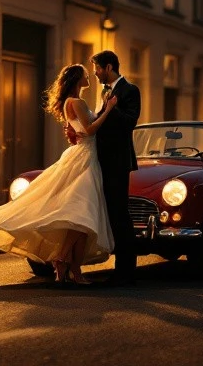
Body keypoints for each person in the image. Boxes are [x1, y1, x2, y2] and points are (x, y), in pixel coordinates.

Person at [0, 64, 117, 285]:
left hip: (85, 155)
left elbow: (81, 127)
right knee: (83, 215)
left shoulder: (71, 102)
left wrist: (101, 109)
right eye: (86, 75)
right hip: (84, 159)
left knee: (80, 220)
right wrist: (108, 110)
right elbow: (89, 130)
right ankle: (63, 261)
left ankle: (73, 270)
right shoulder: (77, 102)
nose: (89, 77)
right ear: (78, 79)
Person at [88, 50, 142, 286]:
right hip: (104, 160)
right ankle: (119, 268)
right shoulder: (106, 92)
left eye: (98, 69)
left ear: (108, 67)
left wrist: (112, 107)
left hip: (118, 161)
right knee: (112, 213)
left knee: (120, 214)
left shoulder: (130, 90)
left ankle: (126, 270)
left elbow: (130, 122)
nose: (96, 73)